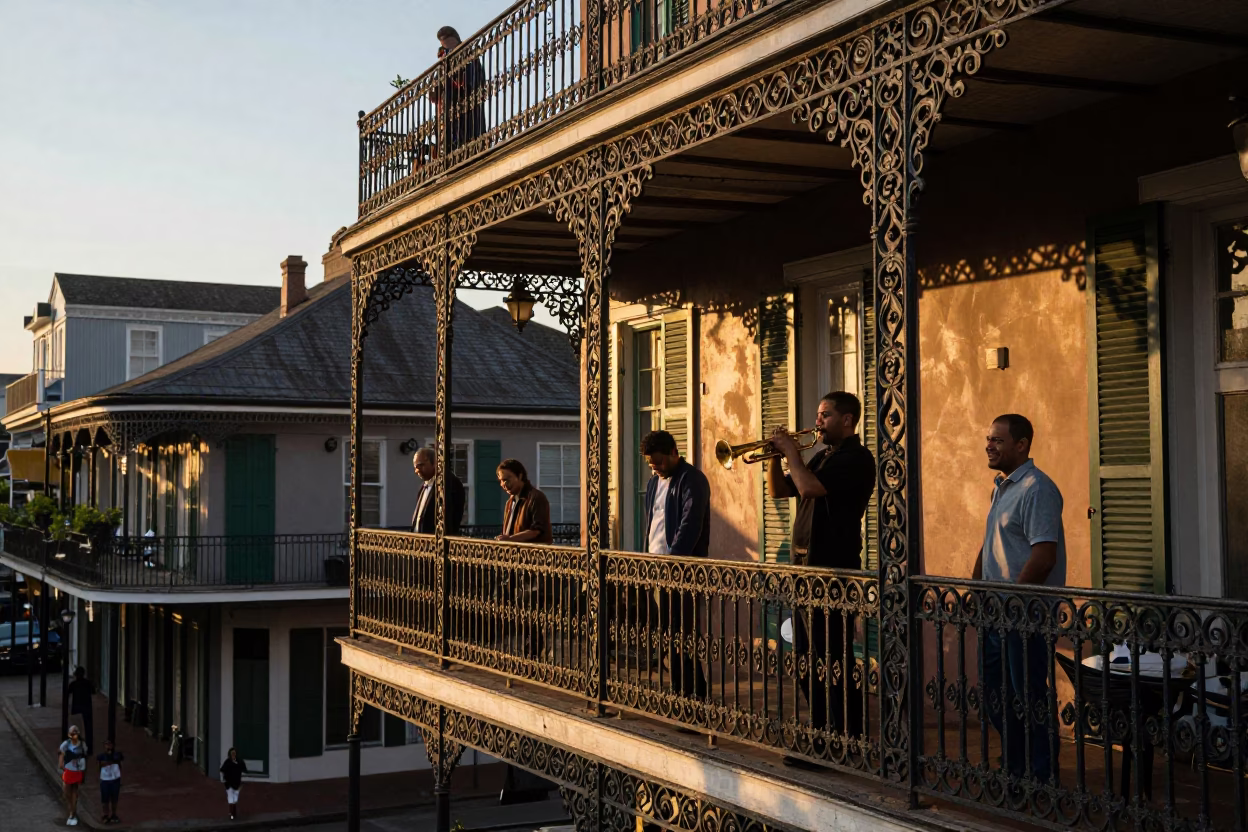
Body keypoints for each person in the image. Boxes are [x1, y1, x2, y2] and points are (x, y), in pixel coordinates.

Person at [766, 392, 875, 761]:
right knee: (806, 655)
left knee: (831, 656)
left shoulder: (856, 458)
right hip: (805, 569)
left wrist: (792, 453)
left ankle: (843, 736)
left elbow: (811, 487)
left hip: (831, 568)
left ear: (847, 420)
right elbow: (782, 490)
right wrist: (775, 457)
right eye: (817, 414)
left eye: (825, 415)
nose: (817, 422)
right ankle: (823, 731)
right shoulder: (824, 455)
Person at [972, 413, 1066, 784]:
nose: (989, 445)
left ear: (1022, 444)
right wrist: (976, 588)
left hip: (1023, 615)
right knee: (996, 695)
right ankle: (1015, 765)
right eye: (988, 438)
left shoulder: (1037, 489)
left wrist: (1012, 602)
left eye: (997, 440)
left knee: (1027, 696)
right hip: (994, 613)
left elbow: (1043, 556)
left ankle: (1039, 774)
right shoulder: (1002, 487)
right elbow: (991, 543)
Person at [640, 430, 711, 698]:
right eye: (650, 463)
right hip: (658, 571)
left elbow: (690, 524)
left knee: (683, 636)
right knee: (670, 635)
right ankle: (682, 692)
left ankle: (693, 695)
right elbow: (653, 526)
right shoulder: (652, 483)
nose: (655, 467)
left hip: (683, 571)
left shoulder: (692, 480)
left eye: (658, 461)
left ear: (673, 452)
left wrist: (674, 561)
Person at [496, 459, 553, 658]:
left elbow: (538, 530)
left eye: (508, 479)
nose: (504, 484)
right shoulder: (510, 502)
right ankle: (526, 648)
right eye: (502, 481)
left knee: (532, 608)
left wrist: (510, 539)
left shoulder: (536, 498)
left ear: (520, 475)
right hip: (515, 563)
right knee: (519, 608)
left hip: (533, 563)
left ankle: (534, 651)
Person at [435, 26, 486, 154]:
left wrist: (459, 79)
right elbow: (439, 82)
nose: (449, 50)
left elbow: (473, 79)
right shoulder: (444, 59)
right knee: (450, 134)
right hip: (449, 106)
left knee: (467, 133)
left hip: (466, 105)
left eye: (451, 46)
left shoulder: (467, 53)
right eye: (446, 47)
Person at [411, 447, 466, 536]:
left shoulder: (449, 483)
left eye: (421, 465)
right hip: (419, 544)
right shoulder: (423, 487)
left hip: (435, 544)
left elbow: (452, 517)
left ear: (435, 463)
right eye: (415, 467)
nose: (417, 471)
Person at [58, 724, 88, 826]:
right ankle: (72, 809)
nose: (73, 735)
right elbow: (61, 754)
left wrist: (83, 770)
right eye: (72, 733)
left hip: (77, 771)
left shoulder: (82, 745)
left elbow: (84, 757)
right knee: (66, 792)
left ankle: (72, 813)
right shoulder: (66, 744)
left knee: (74, 791)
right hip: (68, 770)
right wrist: (61, 764)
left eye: (75, 733)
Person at [67, 666, 95, 754]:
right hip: (87, 708)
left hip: (77, 709)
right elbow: (93, 691)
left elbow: (67, 693)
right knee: (88, 728)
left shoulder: (73, 684)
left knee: (77, 729)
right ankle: (89, 749)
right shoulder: (88, 683)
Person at [97, 738, 124, 825]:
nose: (108, 746)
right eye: (106, 744)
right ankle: (105, 815)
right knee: (105, 799)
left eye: (109, 744)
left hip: (115, 779)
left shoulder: (117, 755)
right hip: (105, 779)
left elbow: (120, 763)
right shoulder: (101, 756)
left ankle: (114, 814)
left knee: (114, 798)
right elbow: (99, 765)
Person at [220, 747, 247, 821]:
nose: (233, 755)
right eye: (232, 753)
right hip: (229, 783)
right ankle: (231, 814)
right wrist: (224, 779)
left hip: (237, 783)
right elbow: (222, 770)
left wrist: (243, 781)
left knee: (235, 799)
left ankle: (233, 813)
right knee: (230, 798)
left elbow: (245, 771)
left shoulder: (240, 762)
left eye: (234, 753)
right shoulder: (227, 762)